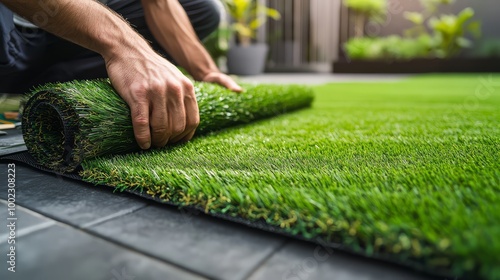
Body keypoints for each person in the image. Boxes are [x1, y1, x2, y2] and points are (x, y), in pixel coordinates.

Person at [0, 0, 242, 149]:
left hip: (70, 35)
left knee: (202, 9)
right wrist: (125, 47)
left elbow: (159, 3)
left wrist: (206, 71)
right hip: (10, 28)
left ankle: (55, 85)